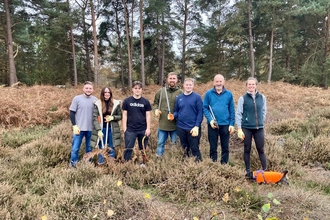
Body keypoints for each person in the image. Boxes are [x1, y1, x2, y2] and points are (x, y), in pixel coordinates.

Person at [236, 77, 267, 178]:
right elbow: (239, 114)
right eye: (249, 84)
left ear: (256, 85)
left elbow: (263, 111)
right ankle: (248, 171)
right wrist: (239, 128)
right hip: (247, 128)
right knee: (247, 149)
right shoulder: (242, 98)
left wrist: (261, 120)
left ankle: (265, 170)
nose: (251, 86)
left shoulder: (262, 97)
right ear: (246, 86)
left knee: (261, 149)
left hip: (259, 128)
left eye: (253, 84)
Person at [203, 74, 235, 164]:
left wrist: (232, 124)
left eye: (220, 81)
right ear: (214, 82)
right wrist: (210, 120)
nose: (218, 83)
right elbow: (205, 108)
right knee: (213, 147)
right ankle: (213, 164)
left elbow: (232, 110)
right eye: (217, 81)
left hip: (225, 124)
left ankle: (224, 165)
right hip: (213, 125)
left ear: (223, 82)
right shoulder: (208, 94)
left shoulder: (229, 94)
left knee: (225, 147)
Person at [172, 78, 203, 161]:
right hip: (181, 127)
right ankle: (186, 164)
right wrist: (173, 116)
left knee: (194, 148)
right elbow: (176, 111)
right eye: (187, 85)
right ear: (183, 85)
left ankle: (198, 164)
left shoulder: (197, 97)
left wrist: (197, 126)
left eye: (190, 85)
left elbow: (200, 113)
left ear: (193, 86)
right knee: (184, 147)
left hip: (193, 128)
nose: (188, 86)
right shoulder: (179, 98)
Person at [153, 72, 183, 157]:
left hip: (175, 124)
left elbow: (183, 107)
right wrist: (155, 110)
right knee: (160, 143)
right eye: (170, 78)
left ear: (176, 80)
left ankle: (173, 160)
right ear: (167, 79)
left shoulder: (180, 92)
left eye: (174, 78)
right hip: (163, 124)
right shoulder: (161, 91)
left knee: (174, 143)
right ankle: (159, 158)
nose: (172, 80)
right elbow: (155, 103)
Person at [122, 81, 152, 165]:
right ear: (132, 89)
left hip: (143, 129)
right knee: (128, 148)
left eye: (139, 88)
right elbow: (124, 114)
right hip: (130, 129)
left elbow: (148, 115)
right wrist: (124, 128)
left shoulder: (145, 101)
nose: (137, 90)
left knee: (143, 148)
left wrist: (148, 128)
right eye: (135, 88)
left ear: (141, 90)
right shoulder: (127, 101)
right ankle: (126, 164)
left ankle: (143, 163)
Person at [91, 86, 122, 165]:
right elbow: (95, 118)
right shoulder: (98, 104)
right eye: (105, 92)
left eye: (108, 92)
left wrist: (113, 117)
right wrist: (98, 130)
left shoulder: (115, 103)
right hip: (102, 129)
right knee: (102, 147)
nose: (107, 94)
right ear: (103, 94)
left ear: (110, 94)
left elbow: (120, 116)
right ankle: (101, 163)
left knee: (111, 147)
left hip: (112, 129)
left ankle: (111, 163)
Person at [69, 81, 97, 167]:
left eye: (90, 88)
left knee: (89, 149)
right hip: (79, 129)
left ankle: (87, 166)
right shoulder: (77, 99)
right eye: (87, 88)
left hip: (91, 129)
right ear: (83, 89)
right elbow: (72, 112)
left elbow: (98, 114)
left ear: (92, 89)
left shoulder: (95, 100)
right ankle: (74, 165)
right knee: (75, 149)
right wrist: (74, 125)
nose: (88, 90)